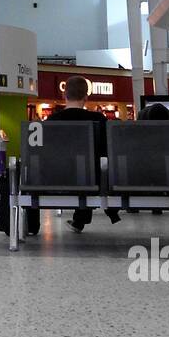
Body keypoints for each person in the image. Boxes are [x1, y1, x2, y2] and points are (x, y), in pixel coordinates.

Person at [47, 76, 121, 229]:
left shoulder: (52, 120)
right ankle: (80, 219)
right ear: (86, 97)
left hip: (57, 177)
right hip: (93, 180)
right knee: (88, 168)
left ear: (64, 95)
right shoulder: (98, 119)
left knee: (78, 167)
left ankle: (78, 220)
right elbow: (108, 150)